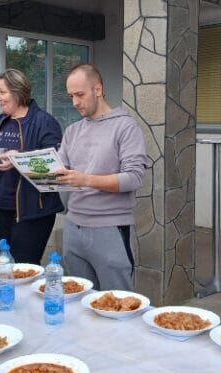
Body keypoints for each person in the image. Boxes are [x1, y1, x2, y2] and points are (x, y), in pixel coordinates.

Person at [55, 64, 147, 291]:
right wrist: (22, 162)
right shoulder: (72, 131)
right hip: (73, 228)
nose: (75, 102)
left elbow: (134, 178)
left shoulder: (125, 127)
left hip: (110, 229)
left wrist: (86, 180)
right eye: (71, 96)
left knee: (117, 304)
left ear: (98, 89)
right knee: (79, 302)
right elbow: (57, 171)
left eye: (80, 94)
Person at [0, 69, 63, 264]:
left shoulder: (45, 123)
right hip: (1, 209)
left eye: (2, 92)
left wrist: (20, 159)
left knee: (24, 268)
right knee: (5, 264)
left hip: (34, 212)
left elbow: (55, 171)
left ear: (18, 91)